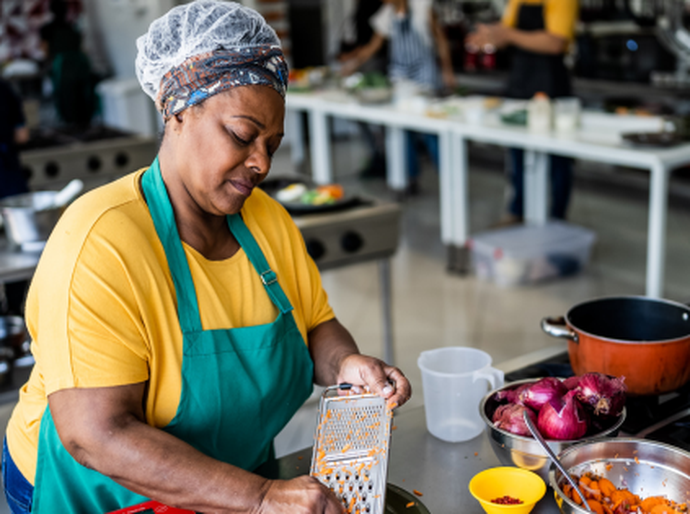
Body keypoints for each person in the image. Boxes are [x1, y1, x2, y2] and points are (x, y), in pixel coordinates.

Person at [2, 2, 411, 513]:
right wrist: (260, 497)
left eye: (272, 144)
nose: (261, 163)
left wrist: (346, 364)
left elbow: (315, 326)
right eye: (242, 135)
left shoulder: (268, 222)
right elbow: (96, 434)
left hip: (225, 485)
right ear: (177, 110)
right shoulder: (101, 241)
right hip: (104, 494)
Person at [466, 0, 579, 221]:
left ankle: (557, 217)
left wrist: (508, 35)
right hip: (520, 81)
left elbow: (555, 42)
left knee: (557, 157)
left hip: (550, 84)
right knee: (516, 152)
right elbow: (506, 31)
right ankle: (517, 210)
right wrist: (489, 37)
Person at [342, 0, 456, 194]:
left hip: (424, 77)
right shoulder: (387, 14)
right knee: (401, 130)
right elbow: (373, 46)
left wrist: (447, 70)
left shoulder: (422, 7)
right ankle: (408, 179)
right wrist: (352, 65)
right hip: (401, 79)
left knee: (430, 131)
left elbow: (440, 39)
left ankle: (450, 180)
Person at [39, 0, 97, 126]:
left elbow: (45, 50)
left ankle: (70, 125)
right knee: (81, 97)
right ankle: (84, 124)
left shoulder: (47, 29)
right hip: (80, 64)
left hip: (63, 66)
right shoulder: (73, 27)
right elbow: (81, 47)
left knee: (66, 98)